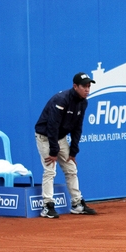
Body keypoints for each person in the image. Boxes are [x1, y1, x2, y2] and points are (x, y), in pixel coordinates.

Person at [35, 72, 98, 219]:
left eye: (89, 86)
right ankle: (47, 205)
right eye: (84, 86)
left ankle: (77, 204)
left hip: (61, 138)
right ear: (75, 86)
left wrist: (73, 151)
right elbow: (52, 126)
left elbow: (77, 127)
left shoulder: (84, 102)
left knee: (71, 168)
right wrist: (53, 150)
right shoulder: (61, 100)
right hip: (46, 137)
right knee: (50, 170)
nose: (87, 89)